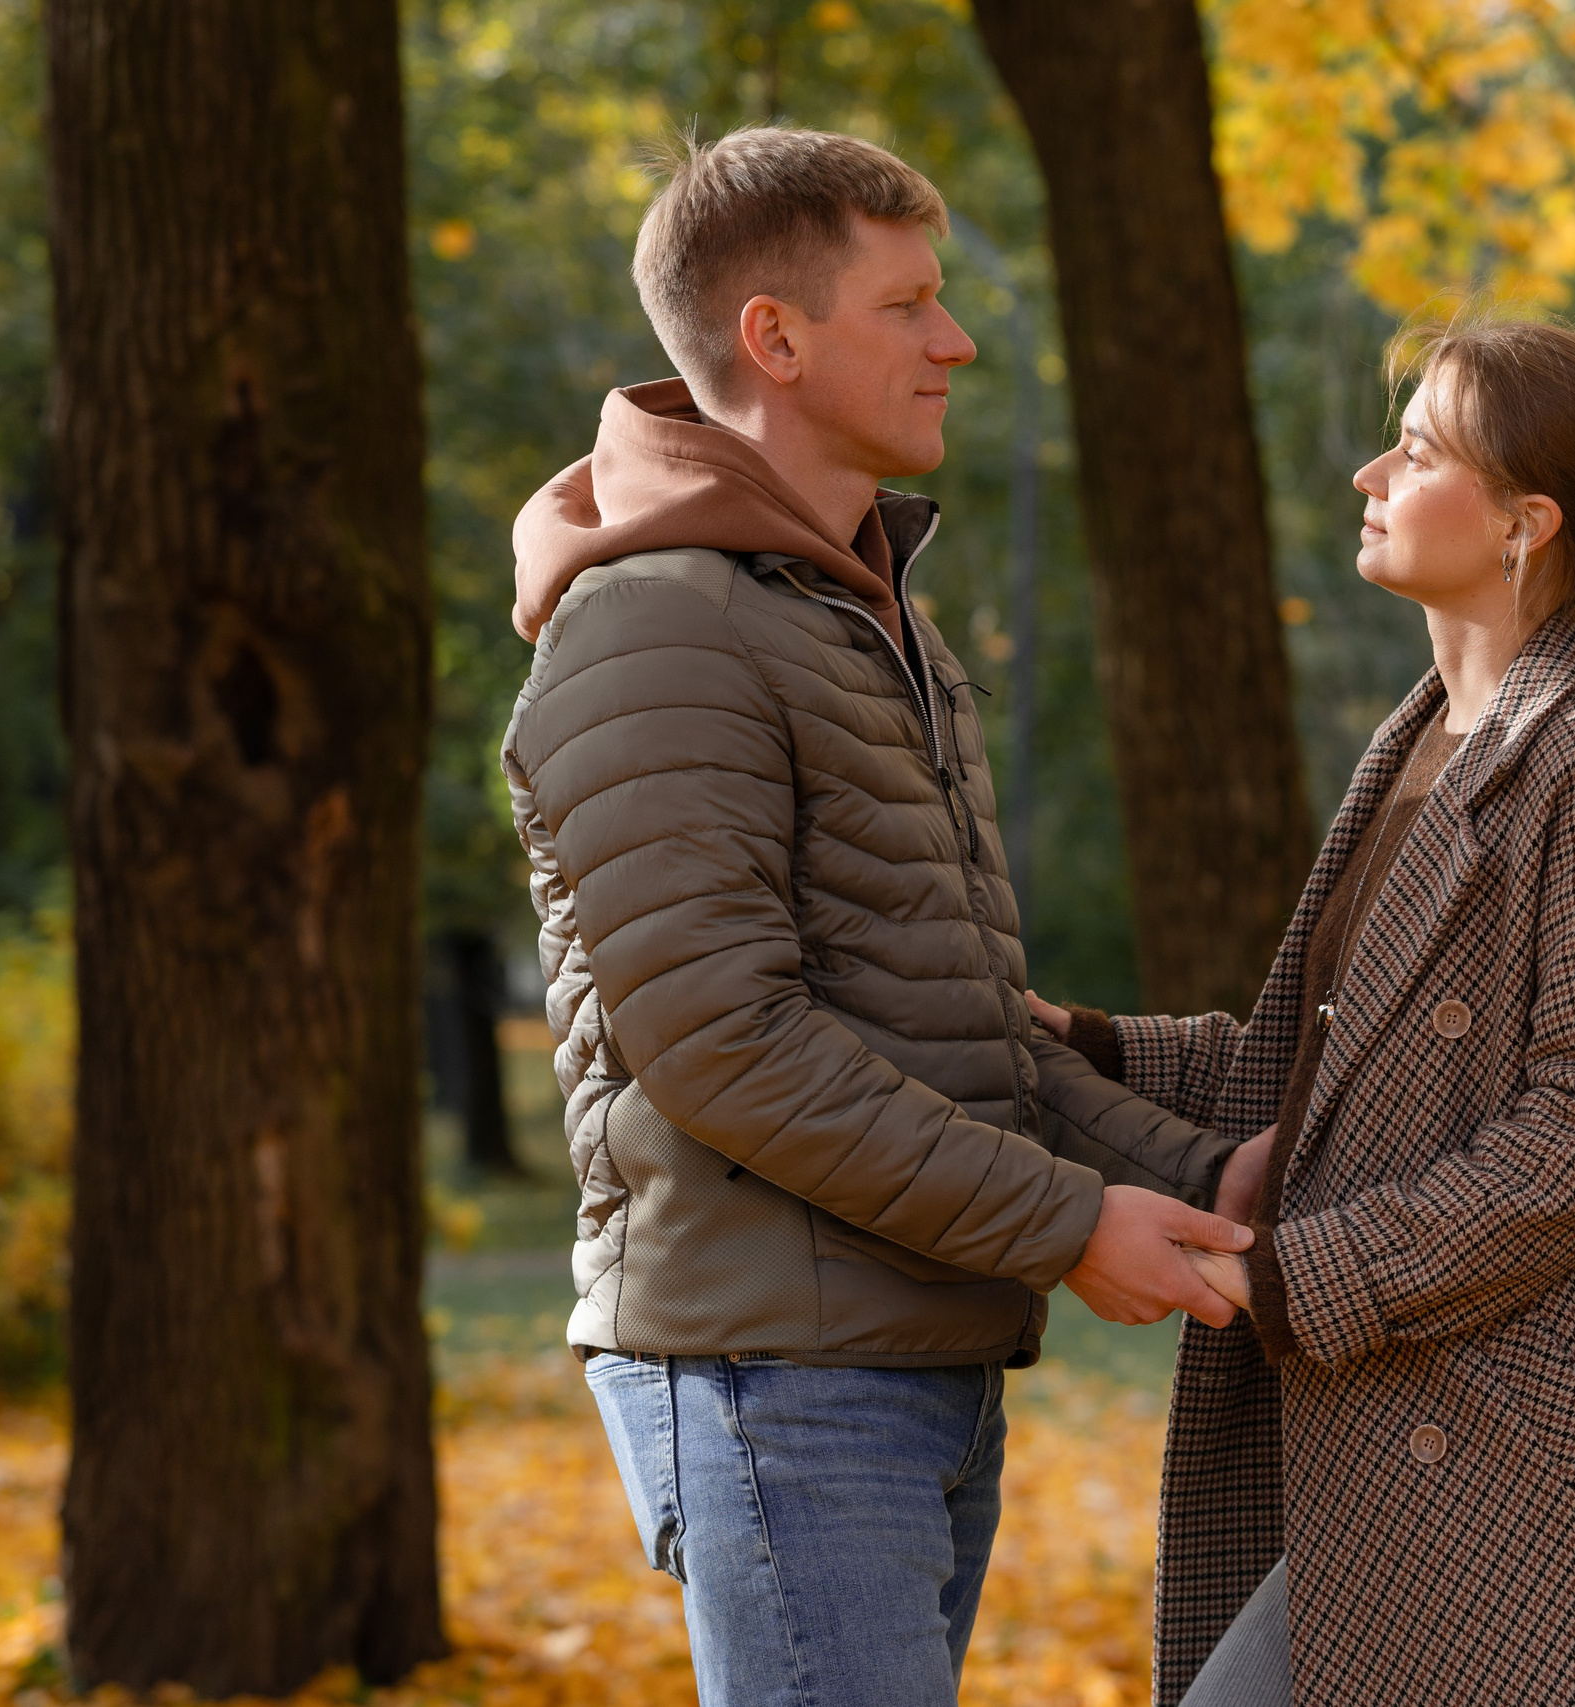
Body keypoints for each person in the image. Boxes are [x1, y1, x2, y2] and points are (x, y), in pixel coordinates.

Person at [499, 124, 1265, 1707]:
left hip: (897, 1355)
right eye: (908, 304)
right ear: (775, 339)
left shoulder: (853, 617)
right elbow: (730, 1048)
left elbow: (952, 1033)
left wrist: (1203, 1177)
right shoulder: (661, 631)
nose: (955, 341)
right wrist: (1071, 1225)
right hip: (779, 1376)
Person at [1031, 314, 1575, 1705]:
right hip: (1429, 1441)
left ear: (1522, 523)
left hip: (1554, 1477)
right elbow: (1325, 1068)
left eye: (1420, 451)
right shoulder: (1420, 743)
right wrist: (1083, 1042)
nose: (1371, 475)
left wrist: (1293, 1279)